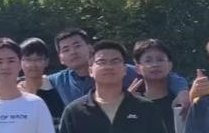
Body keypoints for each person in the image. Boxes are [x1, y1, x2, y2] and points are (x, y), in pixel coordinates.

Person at [50, 27, 188, 106]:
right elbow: (38, 79)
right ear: (60, 58)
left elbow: (162, 73)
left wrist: (182, 91)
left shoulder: (119, 70)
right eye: (66, 49)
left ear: (90, 48)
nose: (73, 52)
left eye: (77, 46)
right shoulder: (59, 80)